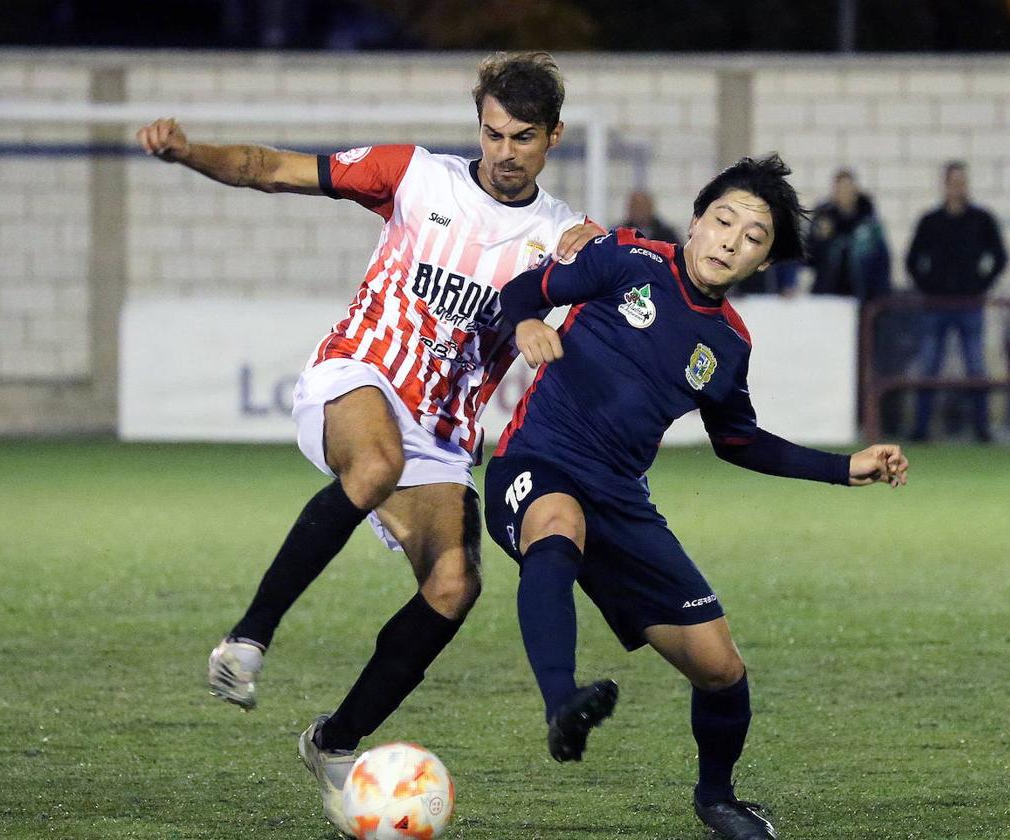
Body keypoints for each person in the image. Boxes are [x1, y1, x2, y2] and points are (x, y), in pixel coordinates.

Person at [136, 51, 601, 835]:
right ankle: (248, 639)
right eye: (493, 133)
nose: (505, 152)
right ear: (478, 126)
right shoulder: (416, 176)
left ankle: (334, 740)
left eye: (524, 137)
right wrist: (188, 153)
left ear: (553, 137)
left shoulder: (560, 235)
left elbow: (620, 272)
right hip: (358, 378)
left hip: (444, 437)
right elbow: (266, 168)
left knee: (455, 586)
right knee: (376, 459)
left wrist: (601, 250)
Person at [483, 155, 909, 840]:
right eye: (723, 221)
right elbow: (525, 290)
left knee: (720, 668)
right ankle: (563, 702)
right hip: (537, 462)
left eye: (752, 237)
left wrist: (843, 468)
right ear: (695, 222)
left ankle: (717, 799)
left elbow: (738, 441)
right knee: (555, 531)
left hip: (621, 501)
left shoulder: (729, 344)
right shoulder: (628, 259)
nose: (731, 241)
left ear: (762, 265)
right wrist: (530, 320)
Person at [906, 160, 1008, 442]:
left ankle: (982, 430)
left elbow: (1000, 257)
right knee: (928, 368)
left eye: (962, 182)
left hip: (969, 304)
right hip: (935, 306)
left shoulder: (981, 220)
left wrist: (981, 285)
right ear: (945, 184)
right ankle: (921, 429)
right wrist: (927, 288)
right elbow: (912, 260)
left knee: (976, 367)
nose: (957, 187)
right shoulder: (931, 221)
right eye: (953, 182)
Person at [807, 169, 891, 303]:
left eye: (847, 188)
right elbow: (809, 260)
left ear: (856, 190)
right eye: (839, 189)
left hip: (862, 295)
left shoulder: (869, 223)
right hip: (829, 295)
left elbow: (883, 261)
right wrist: (820, 239)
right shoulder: (824, 219)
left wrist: (879, 296)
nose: (844, 193)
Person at [617, 189, 681, 243]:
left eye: (642, 207)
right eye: (635, 207)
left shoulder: (667, 234)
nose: (639, 211)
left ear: (650, 207)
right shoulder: (619, 234)